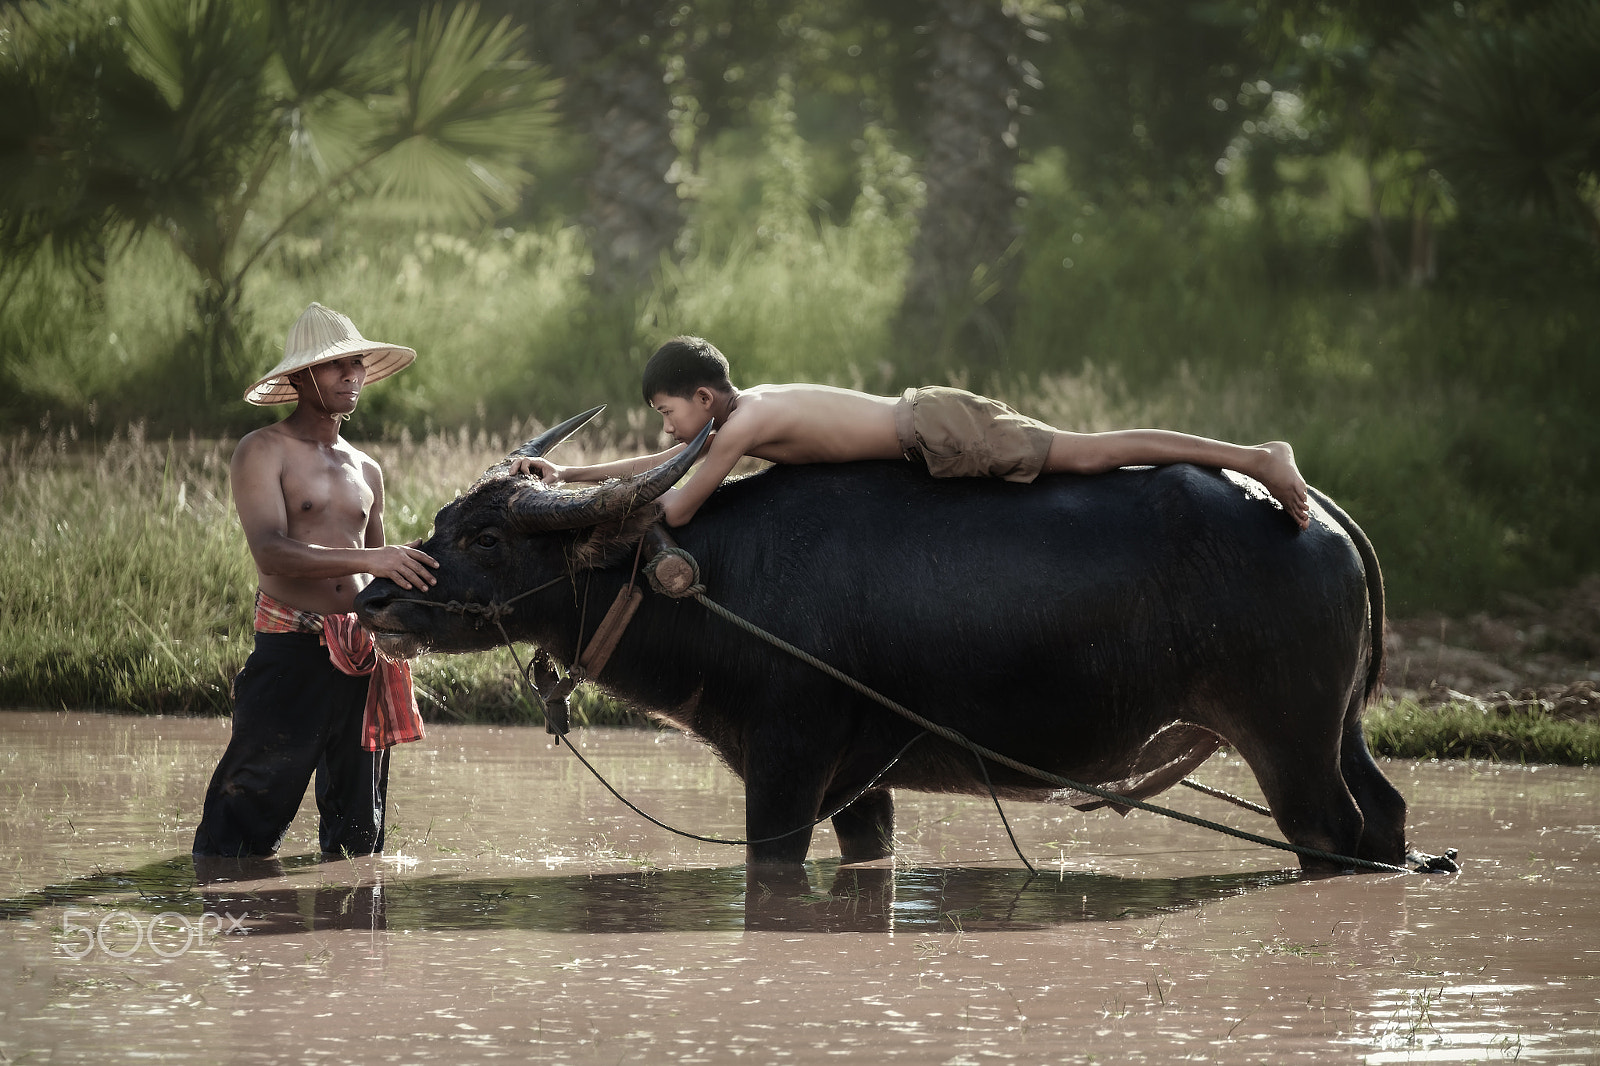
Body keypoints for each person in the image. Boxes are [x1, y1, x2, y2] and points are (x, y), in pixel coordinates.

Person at [515, 335, 1311, 530]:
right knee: (1089, 456)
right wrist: (572, 477)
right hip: (927, 428)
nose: (669, 425)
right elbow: (667, 462)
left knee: (1092, 454)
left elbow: (679, 505)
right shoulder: (735, 415)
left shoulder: (742, 422)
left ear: (700, 395)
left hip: (937, 430)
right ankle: (1250, 456)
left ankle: (1255, 458)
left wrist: (600, 516)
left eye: (668, 410)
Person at [192, 303, 439, 860]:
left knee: (359, 836)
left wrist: (416, 583)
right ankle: (226, 917)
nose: (351, 376)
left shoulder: (366, 468)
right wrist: (376, 560)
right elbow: (271, 552)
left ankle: (355, 939)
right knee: (243, 817)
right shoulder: (263, 450)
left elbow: (381, 569)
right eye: (335, 367)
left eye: (356, 364)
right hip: (292, 653)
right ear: (301, 377)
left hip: (361, 655)